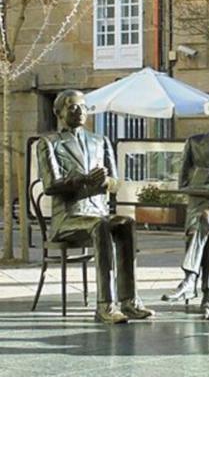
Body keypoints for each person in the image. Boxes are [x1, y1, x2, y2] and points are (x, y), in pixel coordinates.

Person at [36, 89, 154, 324]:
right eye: (72, 106)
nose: (79, 111)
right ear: (58, 112)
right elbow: (50, 186)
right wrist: (82, 180)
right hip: (68, 218)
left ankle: (129, 300)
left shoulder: (100, 141)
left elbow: (116, 183)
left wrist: (104, 181)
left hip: (97, 212)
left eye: (83, 106)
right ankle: (104, 306)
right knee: (100, 225)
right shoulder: (49, 143)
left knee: (126, 223)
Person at [162, 92, 209, 319]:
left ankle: (190, 280)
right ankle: (207, 296)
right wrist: (200, 180)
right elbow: (183, 182)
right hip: (201, 209)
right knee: (208, 224)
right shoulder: (194, 143)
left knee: (208, 219)